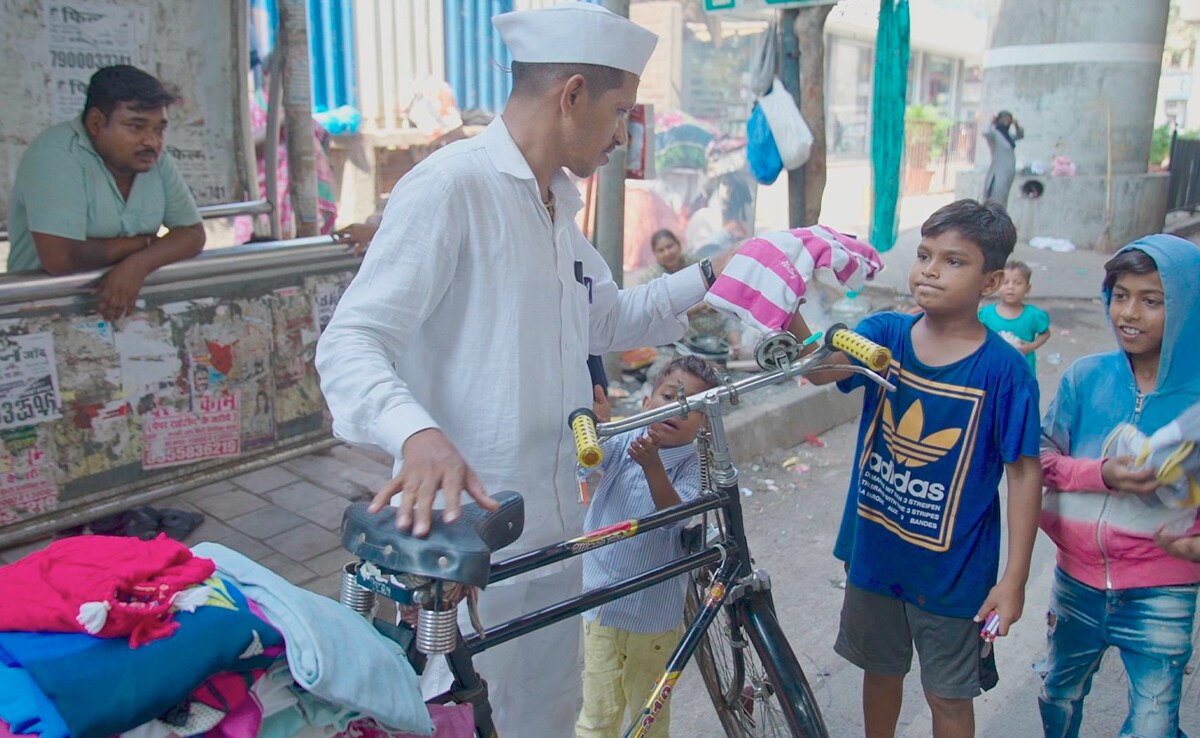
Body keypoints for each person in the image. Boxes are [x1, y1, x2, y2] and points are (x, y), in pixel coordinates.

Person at [314, 5, 739, 736]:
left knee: (546, 711)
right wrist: (416, 433)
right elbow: (352, 339)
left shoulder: (557, 210)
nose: (622, 135)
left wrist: (715, 272)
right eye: (620, 112)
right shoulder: (452, 187)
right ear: (572, 94)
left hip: (556, 528)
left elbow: (609, 319)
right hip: (469, 532)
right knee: (468, 714)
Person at [794, 199, 1043, 738]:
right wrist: (789, 299)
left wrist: (1015, 579)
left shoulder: (1005, 371)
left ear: (991, 281)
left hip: (955, 576)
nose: (930, 270)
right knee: (880, 671)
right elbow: (821, 370)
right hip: (876, 554)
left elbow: (1024, 473)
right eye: (925, 255)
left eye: (954, 261)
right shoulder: (885, 334)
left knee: (947, 696)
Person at [1038, 235, 1200, 738]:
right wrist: (1102, 475)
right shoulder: (1085, 378)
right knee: (1057, 697)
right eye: (1120, 295)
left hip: (1164, 589)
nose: (1129, 313)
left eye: (1152, 300)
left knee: (1153, 723)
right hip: (1075, 581)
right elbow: (1039, 458)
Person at [575, 356, 720, 738]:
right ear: (645, 402)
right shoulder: (627, 437)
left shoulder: (692, 465)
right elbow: (588, 463)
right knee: (597, 716)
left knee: (648, 717)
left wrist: (653, 466)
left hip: (652, 618)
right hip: (602, 605)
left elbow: (676, 517)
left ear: (704, 424)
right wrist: (599, 428)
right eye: (669, 396)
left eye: (690, 406)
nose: (676, 409)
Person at [6, 65, 206, 322]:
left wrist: (137, 265)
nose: (152, 141)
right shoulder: (55, 156)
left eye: (159, 129)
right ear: (96, 123)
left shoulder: (155, 159)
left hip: (124, 314)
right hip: (39, 316)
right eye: (136, 127)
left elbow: (193, 234)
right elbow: (61, 257)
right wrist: (143, 243)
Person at [641, 229, 741, 358]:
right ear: (655, 254)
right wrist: (698, 309)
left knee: (730, 313)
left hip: (712, 317)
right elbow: (659, 315)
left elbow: (713, 286)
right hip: (684, 327)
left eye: (670, 246)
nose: (667, 253)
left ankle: (737, 350)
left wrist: (713, 302)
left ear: (678, 245)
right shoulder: (652, 278)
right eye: (661, 250)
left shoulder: (692, 261)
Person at [978, 259, 1051, 373]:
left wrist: (1031, 347)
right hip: (993, 369)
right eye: (1005, 282)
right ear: (996, 285)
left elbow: (1045, 333)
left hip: (1022, 371)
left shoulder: (1034, 315)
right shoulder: (986, 314)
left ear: (1027, 288)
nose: (1011, 287)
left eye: (1018, 283)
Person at [981, 110, 1023, 208]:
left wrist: (1016, 124)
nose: (1006, 123)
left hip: (1008, 172)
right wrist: (992, 122)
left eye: (1008, 121)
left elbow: (1020, 135)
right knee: (996, 197)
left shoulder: (1008, 135)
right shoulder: (995, 134)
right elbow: (986, 133)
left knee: (1003, 198)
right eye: (1004, 120)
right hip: (999, 172)